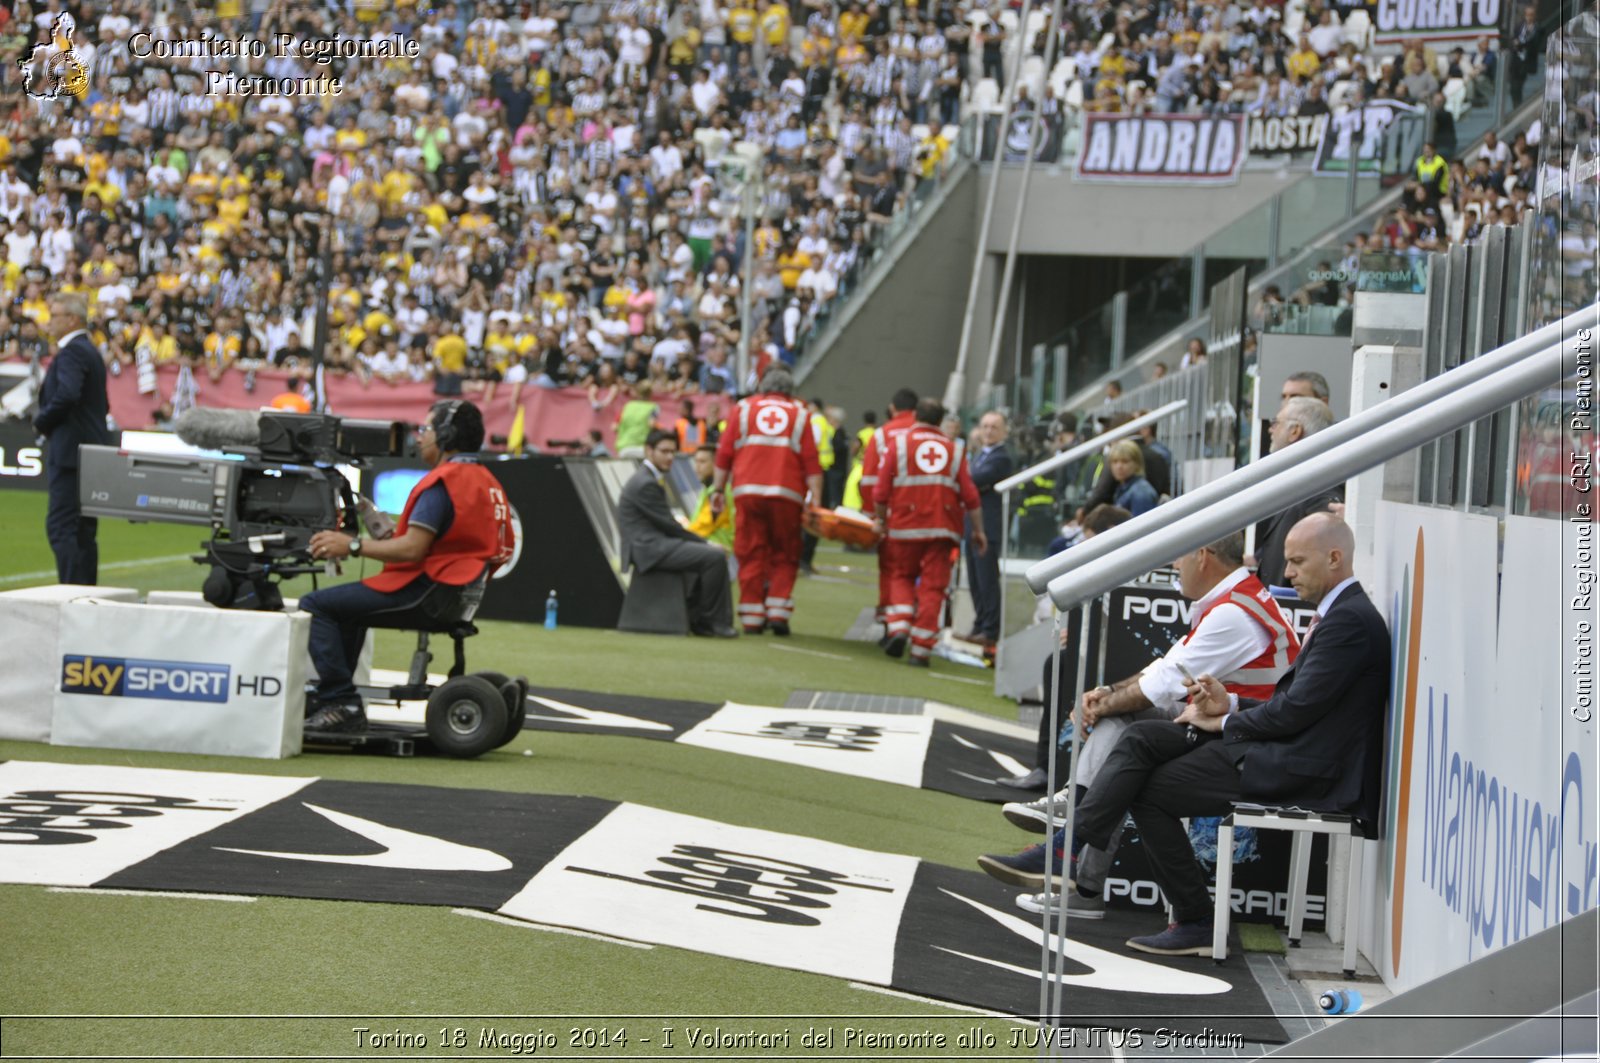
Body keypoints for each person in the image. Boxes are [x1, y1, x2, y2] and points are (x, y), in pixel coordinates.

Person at [1067, 514, 1388, 956]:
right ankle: (1072, 847)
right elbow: (1296, 706)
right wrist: (1229, 705)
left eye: (1296, 561)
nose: (1286, 572)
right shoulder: (1341, 615)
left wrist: (1224, 722)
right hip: (1287, 751)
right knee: (1144, 742)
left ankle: (1086, 856)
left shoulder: (1348, 621)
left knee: (1148, 786)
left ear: (1335, 558)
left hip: (1306, 770)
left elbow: (1294, 713)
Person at [983, 531, 1300, 916]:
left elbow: (1161, 686)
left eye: (1178, 555)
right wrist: (1106, 692)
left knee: (1127, 741)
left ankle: (1077, 837)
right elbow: (1166, 668)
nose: (1173, 565)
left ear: (1203, 553)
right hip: (1230, 728)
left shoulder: (1234, 613)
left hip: (1244, 743)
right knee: (1122, 731)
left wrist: (1102, 704)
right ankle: (1079, 860)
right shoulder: (1233, 600)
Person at [300, 401, 515, 733]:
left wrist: (352, 545)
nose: (419, 438)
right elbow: (435, 544)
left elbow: (413, 550)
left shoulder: (443, 481)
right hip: (453, 594)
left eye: (426, 430)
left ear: (446, 435)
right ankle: (335, 698)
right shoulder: (485, 480)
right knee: (347, 608)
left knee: (317, 605)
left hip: (424, 592)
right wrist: (376, 524)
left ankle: (339, 700)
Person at [873, 397, 985, 665]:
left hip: (904, 526)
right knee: (934, 587)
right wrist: (978, 531)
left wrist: (881, 521)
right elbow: (971, 497)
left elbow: (880, 492)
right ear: (939, 421)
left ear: (916, 417)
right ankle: (921, 649)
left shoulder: (898, 445)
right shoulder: (954, 450)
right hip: (942, 528)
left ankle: (899, 626)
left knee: (901, 575)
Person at [710, 366, 822, 635]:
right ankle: (778, 610)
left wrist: (717, 489)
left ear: (762, 387)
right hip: (786, 493)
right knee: (785, 550)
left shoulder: (744, 409)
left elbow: (724, 453)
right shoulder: (801, 414)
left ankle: (751, 615)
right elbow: (811, 463)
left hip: (748, 490)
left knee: (750, 550)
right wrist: (815, 499)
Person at [619, 430, 736, 637]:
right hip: (649, 549)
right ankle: (713, 623)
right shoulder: (646, 483)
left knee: (706, 555)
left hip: (653, 545)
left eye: (673, 452)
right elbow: (670, 527)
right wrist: (706, 544)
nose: (670, 457)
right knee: (714, 557)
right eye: (664, 451)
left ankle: (698, 618)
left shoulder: (648, 479)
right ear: (648, 451)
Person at [34, 292, 111, 585]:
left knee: (61, 526)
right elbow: (103, 404)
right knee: (83, 529)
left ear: (73, 319)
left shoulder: (72, 352)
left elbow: (67, 394)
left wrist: (42, 422)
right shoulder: (90, 350)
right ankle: (84, 594)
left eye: (54, 315)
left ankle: (69, 594)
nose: (49, 321)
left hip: (69, 453)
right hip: (89, 452)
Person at [1254, 397, 1340, 588]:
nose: (1270, 429)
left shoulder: (1319, 486)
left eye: (1276, 423)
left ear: (1295, 431)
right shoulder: (1301, 482)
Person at [859, 388, 918, 630]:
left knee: (892, 567)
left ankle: (888, 615)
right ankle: (917, 618)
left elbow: (870, 480)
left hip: (893, 513)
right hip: (929, 513)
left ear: (893, 408)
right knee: (925, 570)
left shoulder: (882, 434)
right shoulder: (930, 435)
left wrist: (872, 515)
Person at [962, 410, 1013, 647]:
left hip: (988, 527)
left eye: (994, 427)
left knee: (987, 580)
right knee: (973, 578)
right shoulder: (980, 454)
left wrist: (966, 479)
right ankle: (979, 623)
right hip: (971, 525)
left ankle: (990, 629)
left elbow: (972, 479)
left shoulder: (1002, 457)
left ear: (1004, 431)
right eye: (985, 426)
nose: (989, 431)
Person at [687, 444, 736, 550]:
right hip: (706, 546)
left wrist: (679, 534)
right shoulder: (708, 489)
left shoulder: (719, 493)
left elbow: (703, 526)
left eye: (702, 462)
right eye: (696, 461)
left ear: (716, 464)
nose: (697, 467)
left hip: (716, 549)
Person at [1107, 439, 1159, 516]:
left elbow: (1142, 525)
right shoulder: (1124, 487)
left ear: (1137, 464)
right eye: (1115, 461)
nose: (1119, 466)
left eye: (1125, 461)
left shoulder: (1141, 493)